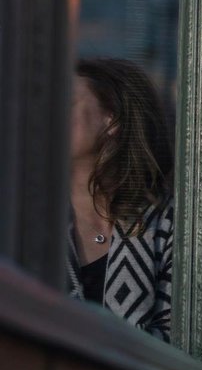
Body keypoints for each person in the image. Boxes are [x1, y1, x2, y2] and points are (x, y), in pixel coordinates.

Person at [68, 57, 173, 340]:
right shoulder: (27, 216)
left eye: (66, 102)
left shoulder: (167, 225)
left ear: (111, 118)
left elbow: (183, 339)